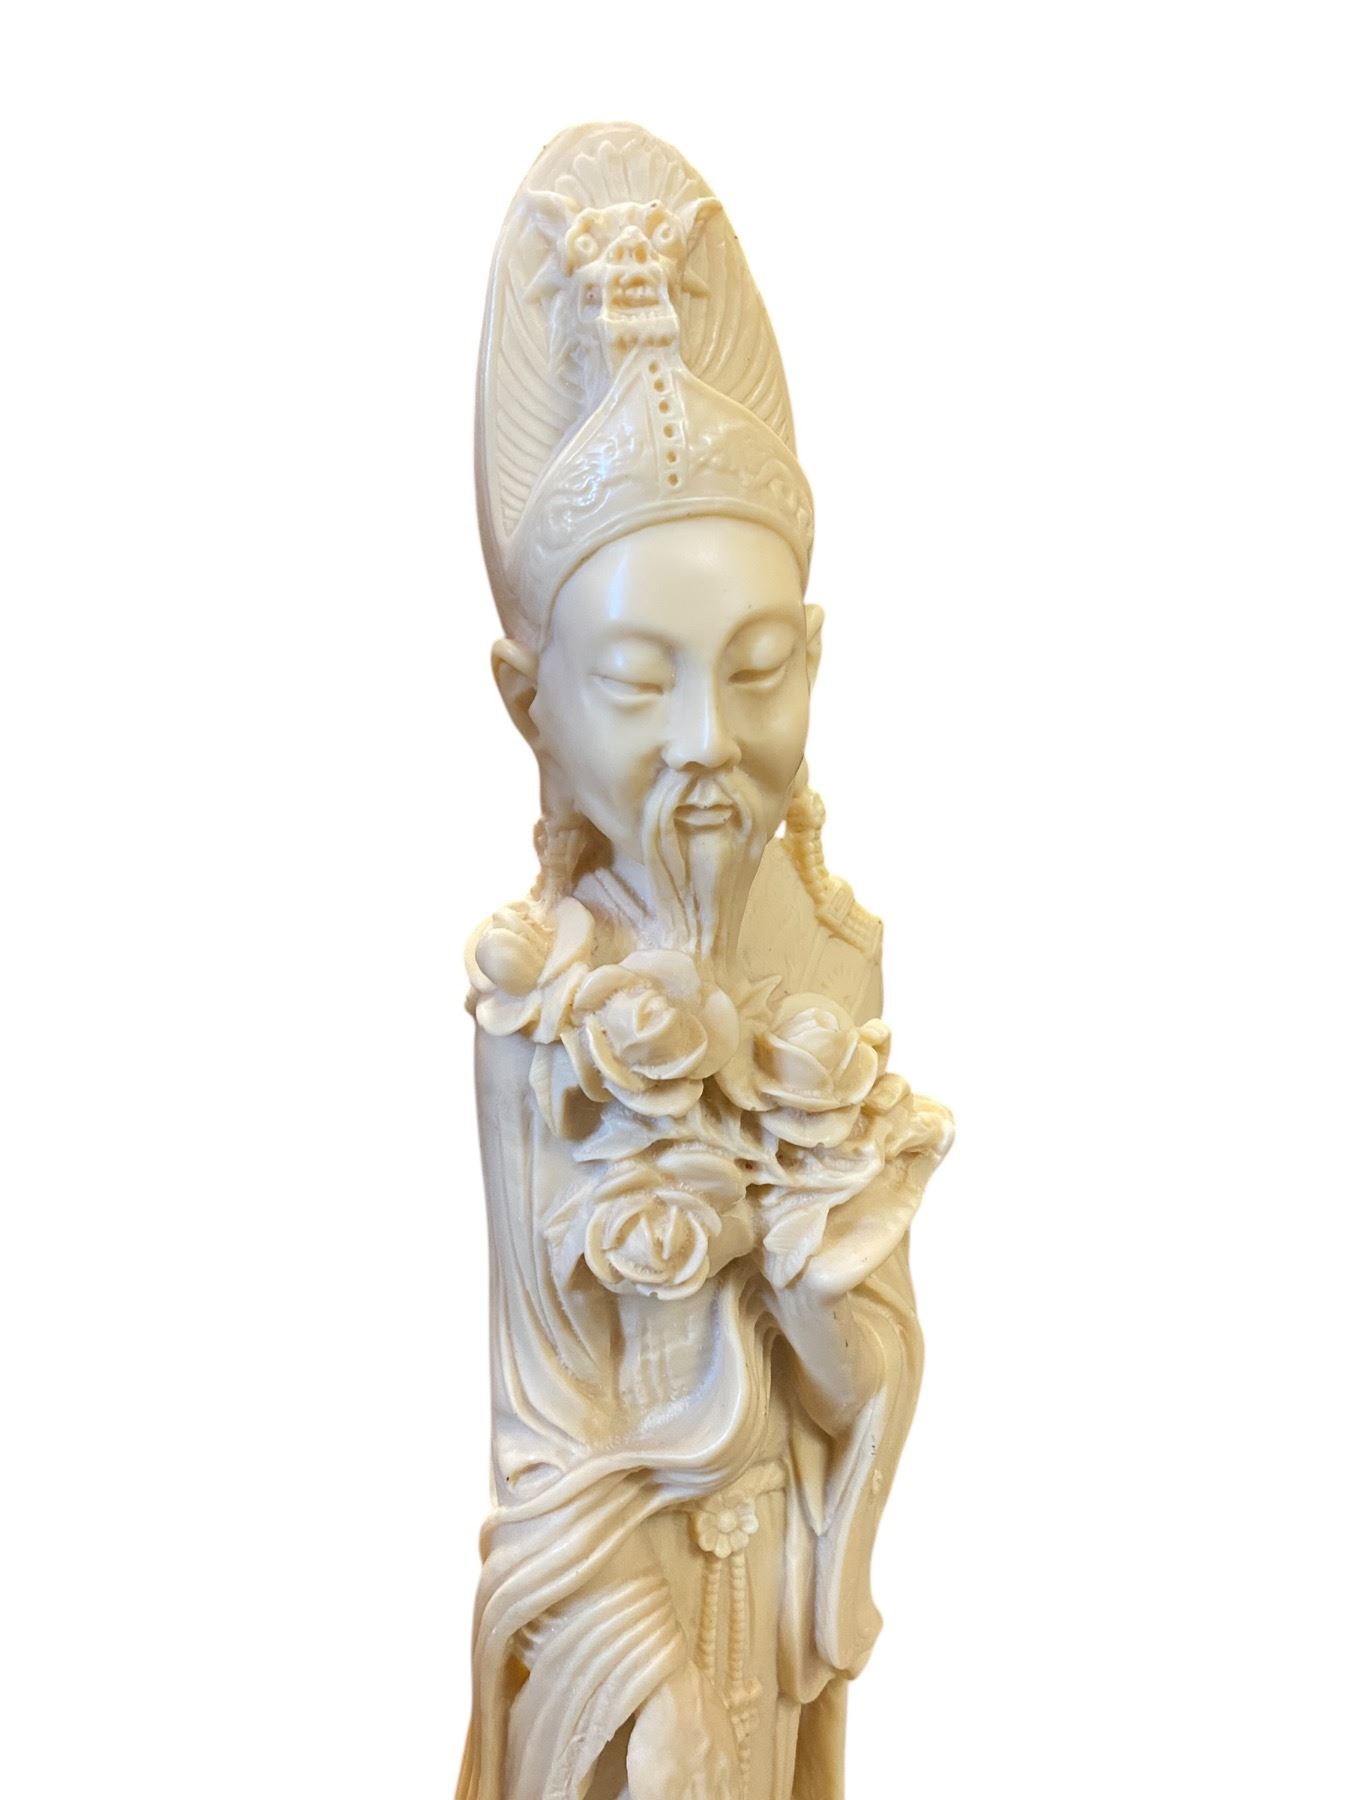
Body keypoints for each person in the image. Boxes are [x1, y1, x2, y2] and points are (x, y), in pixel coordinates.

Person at [457, 123, 951, 1800]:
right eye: (634, 679)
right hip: (625, 1630)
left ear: (809, 661)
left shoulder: (831, 972)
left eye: (753, 672)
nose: (703, 744)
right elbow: (544, 1439)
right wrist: (647, 1684)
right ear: (531, 705)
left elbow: (866, 1385)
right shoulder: (534, 1000)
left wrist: (826, 1308)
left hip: (772, 1589)